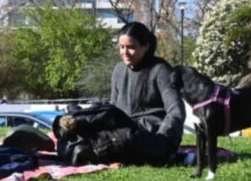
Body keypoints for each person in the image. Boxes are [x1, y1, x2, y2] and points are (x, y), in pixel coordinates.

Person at [58, 22, 185, 166]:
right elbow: (112, 109)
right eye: (121, 47)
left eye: (131, 47)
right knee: (78, 137)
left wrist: (164, 139)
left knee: (101, 147)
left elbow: (176, 112)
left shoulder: (160, 70)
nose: (125, 52)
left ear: (146, 46)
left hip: (149, 133)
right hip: (121, 130)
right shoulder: (118, 70)